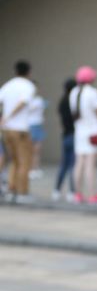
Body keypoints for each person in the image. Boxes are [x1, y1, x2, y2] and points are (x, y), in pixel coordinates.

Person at [0, 60, 36, 200]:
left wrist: (3, 118)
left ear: (15, 71)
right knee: (24, 161)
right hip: (20, 129)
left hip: (7, 129)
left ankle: (11, 189)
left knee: (14, 160)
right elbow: (23, 102)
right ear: (29, 72)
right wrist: (8, 116)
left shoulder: (8, 85)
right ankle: (22, 192)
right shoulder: (28, 86)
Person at [70, 65, 97, 204]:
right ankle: (92, 195)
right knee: (90, 164)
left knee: (79, 163)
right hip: (92, 132)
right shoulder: (93, 92)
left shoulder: (73, 92)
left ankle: (77, 194)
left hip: (79, 131)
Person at [53, 78, 77, 201]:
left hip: (65, 136)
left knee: (64, 165)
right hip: (74, 136)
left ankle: (56, 190)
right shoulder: (73, 102)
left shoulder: (62, 102)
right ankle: (72, 192)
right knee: (74, 165)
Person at [27, 91, 46, 180]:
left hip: (38, 125)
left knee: (38, 149)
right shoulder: (26, 100)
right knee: (30, 149)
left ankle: (36, 168)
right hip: (30, 126)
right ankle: (30, 169)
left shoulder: (39, 100)